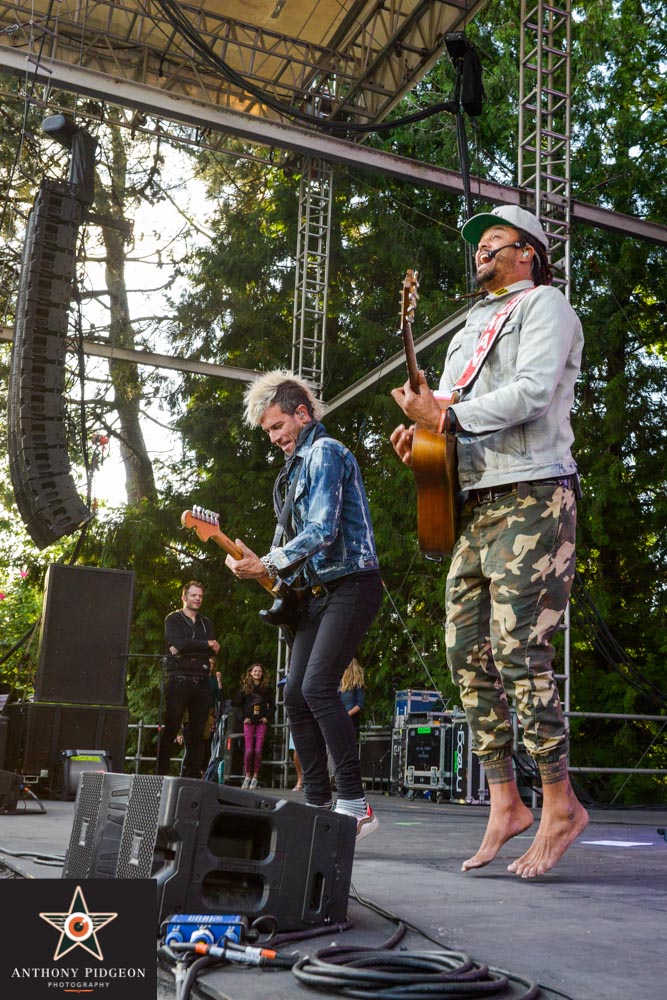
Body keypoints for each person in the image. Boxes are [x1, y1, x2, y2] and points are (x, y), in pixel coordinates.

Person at [391, 204, 589, 878]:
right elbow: (440, 418)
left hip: (534, 490)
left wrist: (444, 415)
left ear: (527, 252)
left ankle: (559, 800)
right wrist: (418, 435)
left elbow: (532, 393)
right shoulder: (466, 330)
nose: (480, 249)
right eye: (476, 244)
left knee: (517, 645)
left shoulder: (546, 307)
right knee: (462, 649)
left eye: (494, 241)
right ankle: (505, 800)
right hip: (476, 502)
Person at [225, 370, 382, 841]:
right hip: (315, 594)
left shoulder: (326, 452)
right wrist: (262, 567)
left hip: (352, 582)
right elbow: (292, 546)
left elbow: (323, 530)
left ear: (302, 413)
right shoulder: (290, 473)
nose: (274, 438)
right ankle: (316, 805)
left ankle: (354, 804)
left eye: (278, 427)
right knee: (293, 695)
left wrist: (268, 562)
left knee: (317, 686)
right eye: (268, 432)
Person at [158, 581, 220, 778]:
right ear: (184, 597)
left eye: (200, 596)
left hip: (201, 679)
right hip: (179, 678)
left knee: (197, 731)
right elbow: (181, 644)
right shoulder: (173, 619)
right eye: (193, 595)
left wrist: (190, 646)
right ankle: (161, 774)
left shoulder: (206, 623)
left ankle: (192, 776)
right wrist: (205, 644)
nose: (197, 599)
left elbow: (213, 647)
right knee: (172, 727)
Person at [235, 662, 275, 788]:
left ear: (262, 674)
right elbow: (238, 705)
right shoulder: (245, 687)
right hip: (249, 722)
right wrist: (244, 717)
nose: (257, 673)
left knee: (258, 750)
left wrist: (267, 717)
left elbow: (273, 706)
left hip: (261, 722)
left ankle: (255, 777)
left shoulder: (266, 688)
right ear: (250, 673)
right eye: (255, 671)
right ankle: (247, 776)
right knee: (249, 750)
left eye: (260, 671)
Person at [340, 658, 365, 738]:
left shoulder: (357, 684)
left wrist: (347, 714)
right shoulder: (340, 683)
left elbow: (360, 704)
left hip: (351, 720)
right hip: (340, 719)